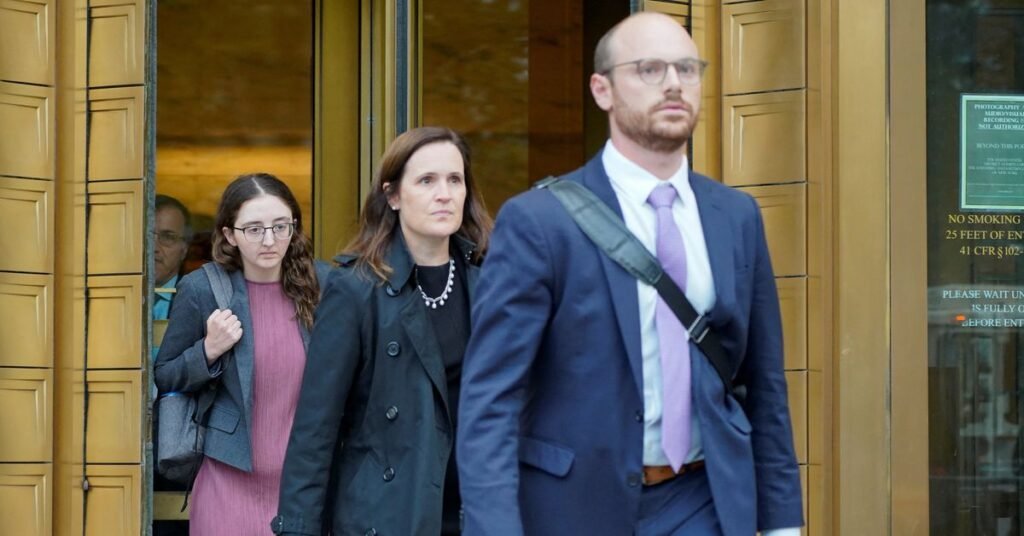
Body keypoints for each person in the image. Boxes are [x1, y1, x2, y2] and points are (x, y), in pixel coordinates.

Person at [456, 12, 803, 536]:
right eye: (649, 69)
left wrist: (782, 524)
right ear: (602, 90)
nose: (673, 84)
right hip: (573, 507)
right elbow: (491, 401)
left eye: (688, 69)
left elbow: (765, 384)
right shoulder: (539, 221)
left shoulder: (736, 216)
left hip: (704, 500)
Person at [271, 127, 492, 536]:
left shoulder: (490, 284)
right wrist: (297, 528)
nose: (443, 193)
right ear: (392, 196)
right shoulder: (355, 289)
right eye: (426, 181)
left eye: (454, 180)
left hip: (478, 512)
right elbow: (316, 428)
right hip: (388, 515)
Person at [154, 173, 330, 536]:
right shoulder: (202, 288)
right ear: (230, 234)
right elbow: (166, 373)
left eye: (281, 227)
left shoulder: (323, 285)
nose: (269, 240)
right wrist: (207, 350)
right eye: (253, 229)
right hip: (227, 482)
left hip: (306, 486)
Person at [154, 194, 192, 320]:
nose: (154, 248)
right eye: (146, 236)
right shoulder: (111, 297)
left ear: (184, 249)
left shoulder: (198, 299)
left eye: (167, 237)